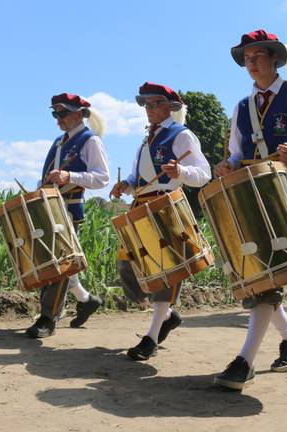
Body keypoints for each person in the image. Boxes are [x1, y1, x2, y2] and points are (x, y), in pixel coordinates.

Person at [213, 29, 287, 390]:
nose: (251, 63)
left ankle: (244, 362)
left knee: (267, 276)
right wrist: (227, 167)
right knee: (263, 275)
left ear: (274, 59)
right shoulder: (241, 108)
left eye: (257, 56)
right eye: (246, 59)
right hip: (248, 198)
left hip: (282, 193)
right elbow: (233, 154)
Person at [110, 82, 210, 361]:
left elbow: (203, 174)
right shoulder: (146, 140)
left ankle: (151, 337)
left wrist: (181, 170)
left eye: (155, 104)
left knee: (166, 273)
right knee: (129, 268)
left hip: (167, 208)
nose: (149, 109)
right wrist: (126, 186)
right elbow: (137, 177)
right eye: (146, 104)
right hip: (141, 207)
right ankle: (167, 315)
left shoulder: (181, 135)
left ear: (170, 107)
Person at [26, 93, 110, 338]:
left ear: (77, 114)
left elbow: (102, 177)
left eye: (62, 113)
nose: (58, 119)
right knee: (55, 262)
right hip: (50, 208)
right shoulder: (59, 141)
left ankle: (48, 318)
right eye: (55, 114)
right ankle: (86, 300)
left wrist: (70, 177)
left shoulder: (90, 141)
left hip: (69, 209)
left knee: (59, 264)